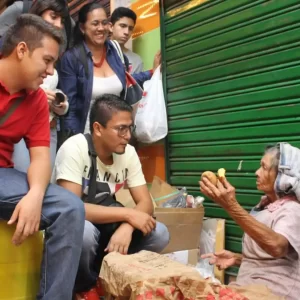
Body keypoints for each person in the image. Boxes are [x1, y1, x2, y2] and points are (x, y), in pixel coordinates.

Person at [52, 94, 169, 300]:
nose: (127, 136)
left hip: (107, 226)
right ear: (98, 128)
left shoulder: (129, 153)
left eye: (130, 128)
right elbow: (72, 208)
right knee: (84, 232)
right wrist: (128, 215)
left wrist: (127, 226)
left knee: (159, 233)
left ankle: (114, 279)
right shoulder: (74, 148)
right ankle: (84, 287)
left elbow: (145, 203)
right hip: (73, 227)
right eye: (120, 129)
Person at [0, 14, 85, 300]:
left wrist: (36, 194)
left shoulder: (36, 98)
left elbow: (39, 157)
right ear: (22, 50)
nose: (50, 71)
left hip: (2, 176)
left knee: (70, 207)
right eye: (47, 60)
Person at [200, 143, 300, 300]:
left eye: (264, 168)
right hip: (248, 287)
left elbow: (277, 247)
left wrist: (231, 206)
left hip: (275, 293)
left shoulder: (292, 209)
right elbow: (271, 260)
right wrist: (239, 258)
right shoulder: (265, 207)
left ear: (282, 175)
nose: (256, 172)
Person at [57, 2, 160, 136]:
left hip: (117, 137)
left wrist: (153, 72)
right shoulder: (71, 59)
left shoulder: (115, 52)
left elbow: (127, 80)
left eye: (104, 23)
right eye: (95, 23)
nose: (101, 28)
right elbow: (69, 107)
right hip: (87, 138)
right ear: (82, 28)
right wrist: (75, 142)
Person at [10, 0, 71, 173]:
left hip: (47, 127)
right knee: (20, 183)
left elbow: (59, 90)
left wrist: (60, 103)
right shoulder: (16, 44)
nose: (58, 24)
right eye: (53, 17)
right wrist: (36, 95)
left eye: (62, 20)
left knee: (42, 184)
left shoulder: (58, 48)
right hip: (20, 126)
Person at [110, 7, 144, 74]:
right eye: (122, 26)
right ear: (111, 27)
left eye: (130, 28)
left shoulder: (136, 60)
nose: (127, 32)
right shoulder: (97, 53)